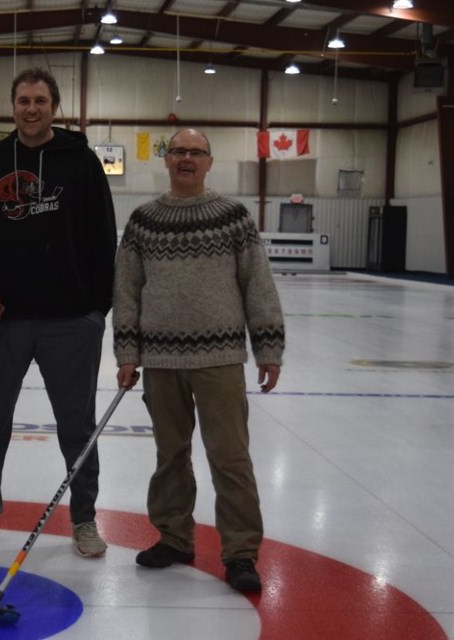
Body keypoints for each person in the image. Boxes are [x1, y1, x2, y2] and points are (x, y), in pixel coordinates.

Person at [112, 128, 285, 593]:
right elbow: (127, 291)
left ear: (209, 162)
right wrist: (127, 352)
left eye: (196, 152)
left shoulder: (234, 218)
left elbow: (258, 284)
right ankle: (174, 537)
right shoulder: (143, 221)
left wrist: (268, 347)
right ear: (166, 160)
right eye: (178, 151)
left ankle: (241, 552)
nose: (186, 158)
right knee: (170, 455)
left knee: (230, 458)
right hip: (161, 361)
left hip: (220, 358)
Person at [0, 67, 118, 558]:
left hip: (71, 321)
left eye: (40, 101)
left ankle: (85, 518)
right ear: (13, 107)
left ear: (54, 106)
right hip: (3, 320)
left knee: (76, 425)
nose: (31, 109)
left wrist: (95, 309)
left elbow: (102, 237)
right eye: (23, 100)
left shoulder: (81, 162)